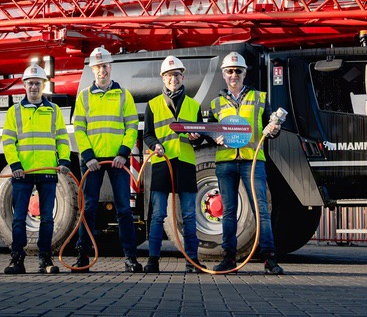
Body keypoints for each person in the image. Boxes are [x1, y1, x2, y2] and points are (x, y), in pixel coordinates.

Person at [208, 51, 284, 275]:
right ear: (223, 74)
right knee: (229, 211)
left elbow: (271, 129)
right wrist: (214, 137)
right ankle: (228, 259)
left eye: (238, 71)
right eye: (230, 71)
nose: (234, 75)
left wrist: (274, 129)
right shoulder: (216, 103)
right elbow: (211, 131)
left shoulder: (260, 98)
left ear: (244, 73)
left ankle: (270, 259)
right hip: (226, 162)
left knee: (261, 211)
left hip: (252, 161)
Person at [71, 47, 141, 272]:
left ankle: (130, 257)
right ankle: (83, 256)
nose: (102, 70)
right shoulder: (84, 97)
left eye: (105, 65)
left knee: (124, 209)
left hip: (117, 159)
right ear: (92, 69)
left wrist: (122, 153)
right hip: (92, 161)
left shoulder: (123, 94)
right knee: (88, 207)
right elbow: (79, 129)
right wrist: (89, 156)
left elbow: (132, 127)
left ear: (110, 67)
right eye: (98, 66)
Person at [0, 63, 72, 274]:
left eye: (37, 83)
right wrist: (15, 165)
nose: (33, 87)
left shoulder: (54, 110)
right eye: (30, 83)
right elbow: (9, 141)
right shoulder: (15, 112)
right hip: (23, 173)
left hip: (48, 172)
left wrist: (64, 161)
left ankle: (45, 260)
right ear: (24, 85)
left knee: (47, 218)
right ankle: (17, 259)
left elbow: (62, 139)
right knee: (19, 217)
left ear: (43, 85)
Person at [142, 55, 204, 273]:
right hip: (162, 164)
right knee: (158, 215)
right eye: (169, 76)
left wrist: (198, 137)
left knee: (188, 215)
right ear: (163, 78)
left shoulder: (193, 105)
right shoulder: (153, 105)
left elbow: (201, 135)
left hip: (186, 163)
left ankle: (192, 261)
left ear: (182, 76)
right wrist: (155, 145)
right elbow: (147, 135)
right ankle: (153, 261)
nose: (173, 79)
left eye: (176, 75)